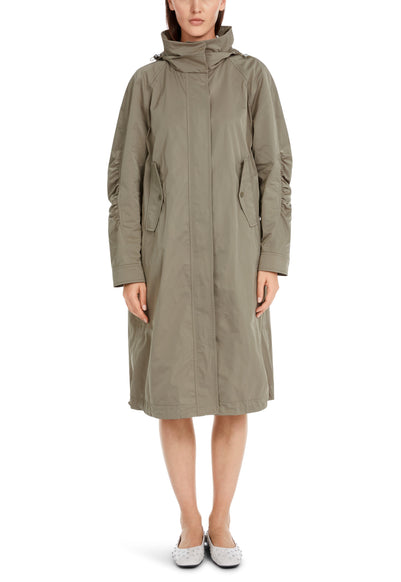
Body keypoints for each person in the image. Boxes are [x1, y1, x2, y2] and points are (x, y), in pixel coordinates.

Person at [107, 0, 293, 569]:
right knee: (173, 398)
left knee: (235, 393)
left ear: (223, 1)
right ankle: (190, 521)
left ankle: (222, 520)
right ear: (168, 1)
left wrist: (271, 257)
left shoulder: (252, 77)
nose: (195, 5)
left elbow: (275, 171)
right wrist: (130, 268)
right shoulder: (146, 84)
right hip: (166, 263)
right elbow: (124, 181)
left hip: (237, 260)